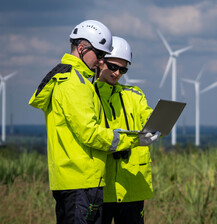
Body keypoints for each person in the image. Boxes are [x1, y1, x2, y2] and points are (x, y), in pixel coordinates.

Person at [28, 20, 159, 224]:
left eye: (123, 70)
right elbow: (89, 132)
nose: (99, 61)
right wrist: (133, 140)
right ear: (82, 48)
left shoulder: (71, 80)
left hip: (83, 181)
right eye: (100, 56)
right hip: (82, 179)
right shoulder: (75, 83)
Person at [94, 36, 160, 224]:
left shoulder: (135, 94)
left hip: (132, 187)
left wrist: (154, 121)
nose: (117, 73)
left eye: (123, 69)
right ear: (100, 61)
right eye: (113, 67)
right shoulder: (88, 94)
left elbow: (147, 116)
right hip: (101, 187)